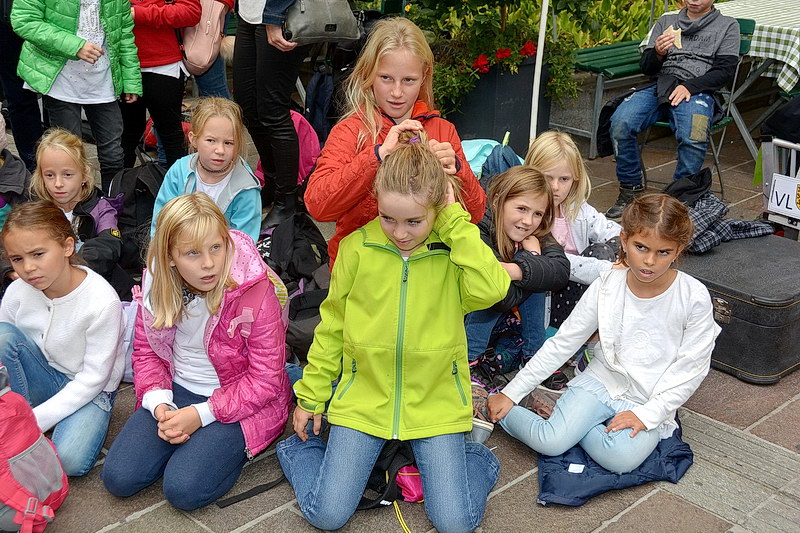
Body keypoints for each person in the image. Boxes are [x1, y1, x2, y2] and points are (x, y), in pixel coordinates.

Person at [278, 130, 509, 532]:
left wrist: (454, 221)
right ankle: (300, 451)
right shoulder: (356, 249)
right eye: (388, 218)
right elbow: (331, 329)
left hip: (435, 403)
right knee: (328, 515)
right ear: (377, 202)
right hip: (364, 401)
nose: (400, 232)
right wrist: (311, 397)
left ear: (438, 208)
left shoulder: (453, 250)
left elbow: (495, 288)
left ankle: (477, 458)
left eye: (414, 221)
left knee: (454, 523)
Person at [487, 193, 720, 475]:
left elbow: (692, 367)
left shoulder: (693, 296)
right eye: (641, 247)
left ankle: (570, 419)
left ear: (678, 250)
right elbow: (563, 343)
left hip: (648, 397)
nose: (649, 261)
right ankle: (494, 403)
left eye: (663, 252)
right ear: (624, 240)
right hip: (601, 381)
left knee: (621, 459)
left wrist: (649, 415)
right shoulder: (607, 285)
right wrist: (511, 393)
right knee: (551, 442)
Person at [102, 193, 291, 510]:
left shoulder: (255, 290)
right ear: (170, 257)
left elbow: (265, 380)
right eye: (192, 253)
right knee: (119, 477)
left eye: (216, 247)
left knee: (183, 490)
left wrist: (201, 415)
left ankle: (233, 447)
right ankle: (195, 444)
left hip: (238, 398)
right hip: (177, 388)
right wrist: (159, 402)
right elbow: (147, 353)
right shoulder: (157, 283)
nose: (208, 263)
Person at [304, 17, 486, 266]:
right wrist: (376, 156)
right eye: (386, 78)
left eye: (408, 80)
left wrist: (458, 169)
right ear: (368, 74)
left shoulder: (443, 130)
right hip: (362, 268)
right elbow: (317, 205)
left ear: (424, 77)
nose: (397, 92)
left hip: (427, 268)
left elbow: (474, 215)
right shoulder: (351, 131)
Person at [0, 201, 125, 476]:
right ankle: (16, 417)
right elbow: (5, 351)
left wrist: (34, 421)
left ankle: (26, 424)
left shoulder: (102, 301)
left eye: (38, 254)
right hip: (42, 376)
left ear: (68, 247)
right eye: (17, 259)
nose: (28, 267)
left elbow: (93, 379)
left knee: (69, 460)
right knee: (3, 336)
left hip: (91, 389)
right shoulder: (17, 292)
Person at [605, 0, 739, 219]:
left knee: (694, 134)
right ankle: (630, 189)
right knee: (621, 122)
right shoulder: (667, 20)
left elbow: (725, 71)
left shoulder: (727, 25)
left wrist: (690, 87)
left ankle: (680, 199)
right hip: (660, 85)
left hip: (699, 90)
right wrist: (657, 53)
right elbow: (647, 67)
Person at [10, 0, 141, 190]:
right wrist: (75, 46)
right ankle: (72, 205)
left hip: (104, 82)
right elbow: (24, 20)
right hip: (61, 81)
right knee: (67, 155)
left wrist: (130, 79)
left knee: (113, 155)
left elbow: (125, 34)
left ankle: (111, 205)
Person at [464, 166, 569, 385]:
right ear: (498, 202)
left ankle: (534, 356)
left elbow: (561, 270)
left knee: (535, 271)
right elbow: (499, 296)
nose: (528, 221)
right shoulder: (478, 225)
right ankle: (469, 362)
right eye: (521, 209)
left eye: (537, 214)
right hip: (463, 323)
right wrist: (531, 261)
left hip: (503, 320)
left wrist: (520, 267)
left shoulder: (533, 230)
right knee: (507, 281)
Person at [525, 131, 621, 329]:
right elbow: (556, 263)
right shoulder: (530, 215)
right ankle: (597, 329)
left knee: (622, 245)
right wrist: (610, 269)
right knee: (602, 255)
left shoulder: (575, 207)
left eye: (564, 179)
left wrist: (633, 252)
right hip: (550, 300)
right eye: (547, 177)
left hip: (584, 288)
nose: (555, 187)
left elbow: (614, 231)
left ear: (575, 178)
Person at [28, 128, 134, 298]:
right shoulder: (36, 211)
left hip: (95, 287)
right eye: (49, 175)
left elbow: (109, 243)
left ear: (84, 174)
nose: (58, 183)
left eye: (67, 174)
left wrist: (69, 269)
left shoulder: (101, 207)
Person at [234, 0, 311, 230]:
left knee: (273, 111)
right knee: (248, 107)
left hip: (281, 13)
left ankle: (287, 201)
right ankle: (272, 184)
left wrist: (275, 16)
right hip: (249, 13)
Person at [150, 97, 261, 242]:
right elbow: (161, 222)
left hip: (225, 254)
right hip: (179, 249)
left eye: (228, 143)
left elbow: (244, 243)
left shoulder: (246, 187)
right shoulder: (179, 171)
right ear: (193, 139)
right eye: (211, 140)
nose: (220, 150)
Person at [121, 0, 200, 171]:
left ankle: (178, 186)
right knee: (126, 136)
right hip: (123, 65)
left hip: (164, 65)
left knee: (170, 135)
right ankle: (118, 187)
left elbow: (191, 12)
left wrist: (139, 14)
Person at [0, 0, 42, 171]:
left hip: (50, 14)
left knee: (58, 97)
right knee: (19, 96)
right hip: (7, 20)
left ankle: (63, 165)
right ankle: (34, 169)